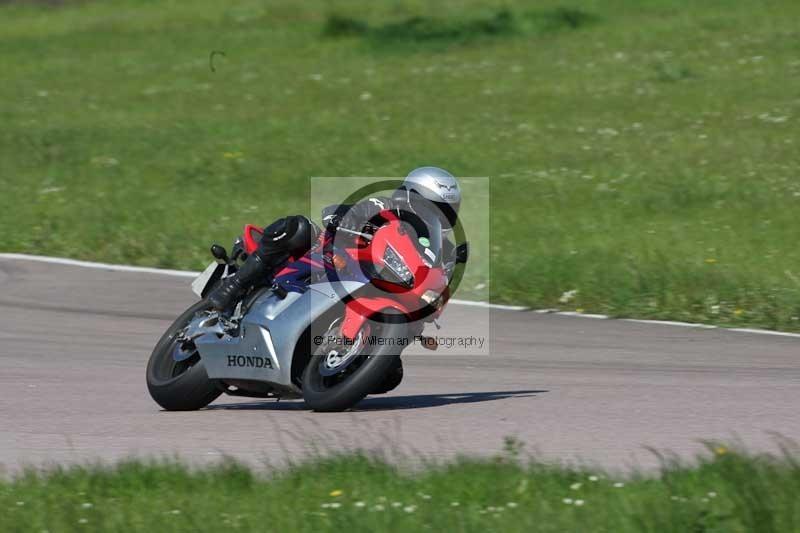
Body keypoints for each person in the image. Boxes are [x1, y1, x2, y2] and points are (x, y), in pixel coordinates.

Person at [207, 166, 462, 312]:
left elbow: (435, 291)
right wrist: (345, 218)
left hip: (376, 291)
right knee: (299, 228)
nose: (436, 217)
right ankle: (234, 285)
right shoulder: (383, 207)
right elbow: (345, 211)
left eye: (445, 212)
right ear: (409, 196)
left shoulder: (441, 251)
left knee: (390, 376)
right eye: (430, 207)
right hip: (333, 259)